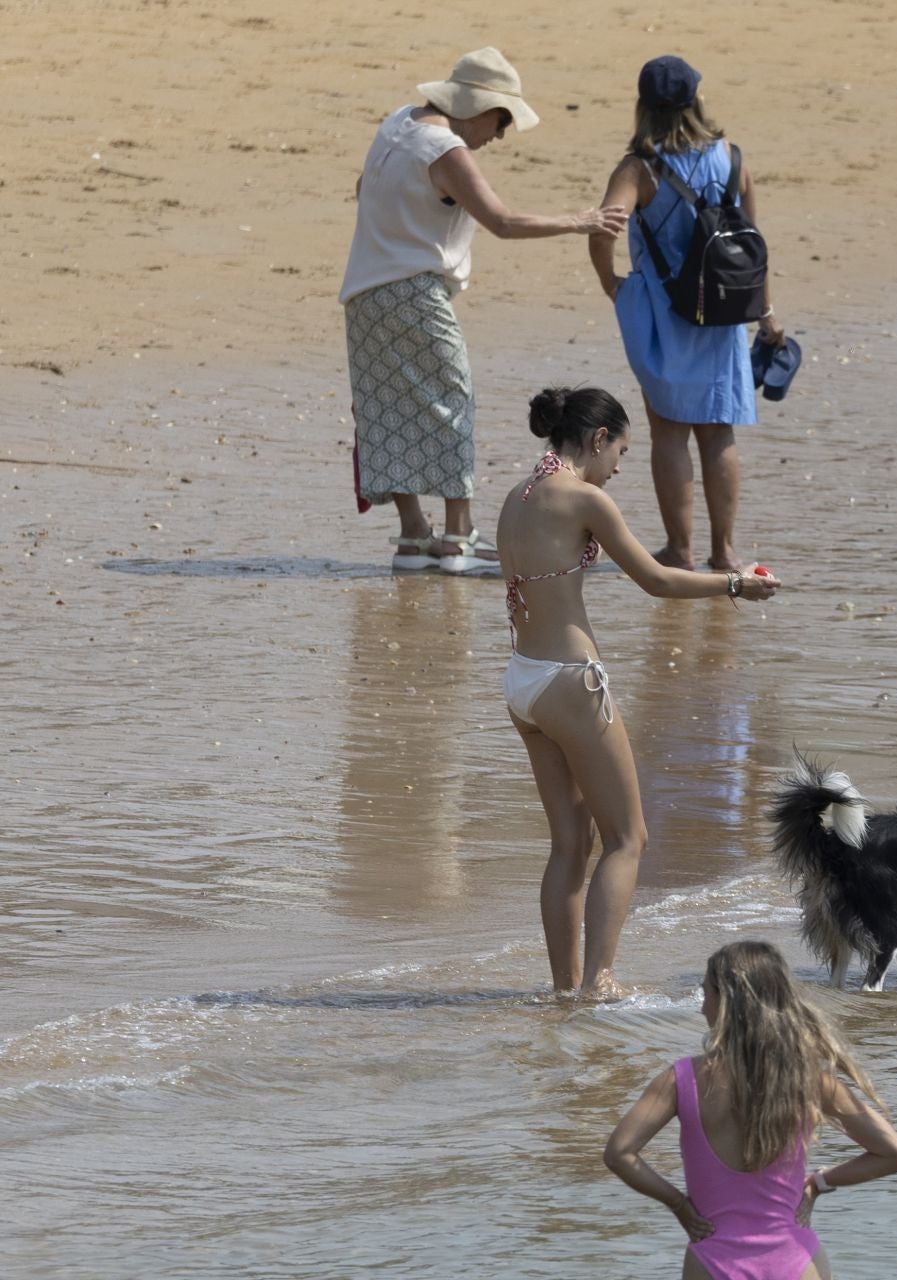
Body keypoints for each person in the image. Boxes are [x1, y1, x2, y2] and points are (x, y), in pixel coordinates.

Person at [495, 387, 779, 996]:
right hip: (571, 681)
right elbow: (656, 580)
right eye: (619, 452)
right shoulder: (584, 498)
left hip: (522, 683)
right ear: (597, 440)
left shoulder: (515, 499)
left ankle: (564, 990)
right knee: (629, 837)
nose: (619, 468)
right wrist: (735, 584)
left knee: (569, 844)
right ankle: (599, 982)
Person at [342, 47, 625, 575]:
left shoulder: (399, 122)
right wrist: (580, 221)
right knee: (452, 400)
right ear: (477, 106)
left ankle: (413, 538)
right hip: (414, 291)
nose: (500, 134)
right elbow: (502, 221)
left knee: (386, 407)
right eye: (502, 119)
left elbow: (363, 188)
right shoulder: (445, 147)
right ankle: (456, 541)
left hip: (363, 292)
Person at [603, 941, 897, 1279]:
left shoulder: (681, 1080)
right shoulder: (807, 1079)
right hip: (794, 1257)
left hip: (713, 1257)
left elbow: (619, 1153)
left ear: (726, 1002)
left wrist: (679, 1205)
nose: (702, 1007)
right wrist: (818, 1183)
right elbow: (894, 1154)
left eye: (706, 994)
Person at [588, 54, 784, 574]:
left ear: (643, 106)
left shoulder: (639, 168)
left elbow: (604, 226)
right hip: (723, 313)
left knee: (670, 429)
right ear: (697, 100)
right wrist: (765, 314)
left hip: (660, 311)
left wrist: (613, 284)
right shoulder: (732, 157)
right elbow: (752, 245)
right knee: (719, 432)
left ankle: (680, 549)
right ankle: (724, 552)